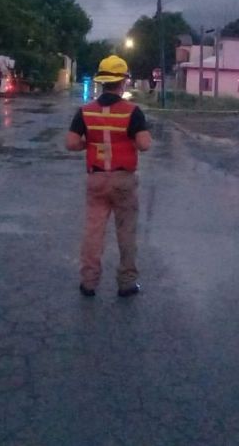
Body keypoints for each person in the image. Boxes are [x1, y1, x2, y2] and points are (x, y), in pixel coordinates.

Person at [66, 55, 152, 297]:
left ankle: (89, 283)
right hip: (123, 180)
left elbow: (71, 143)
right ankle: (126, 283)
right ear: (122, 81)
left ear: (103, 81)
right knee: (126, 233)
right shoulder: (132, 112)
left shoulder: (85, 111)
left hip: (96, 179)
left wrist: (89, 145)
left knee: (93, 232)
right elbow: (144, 145)